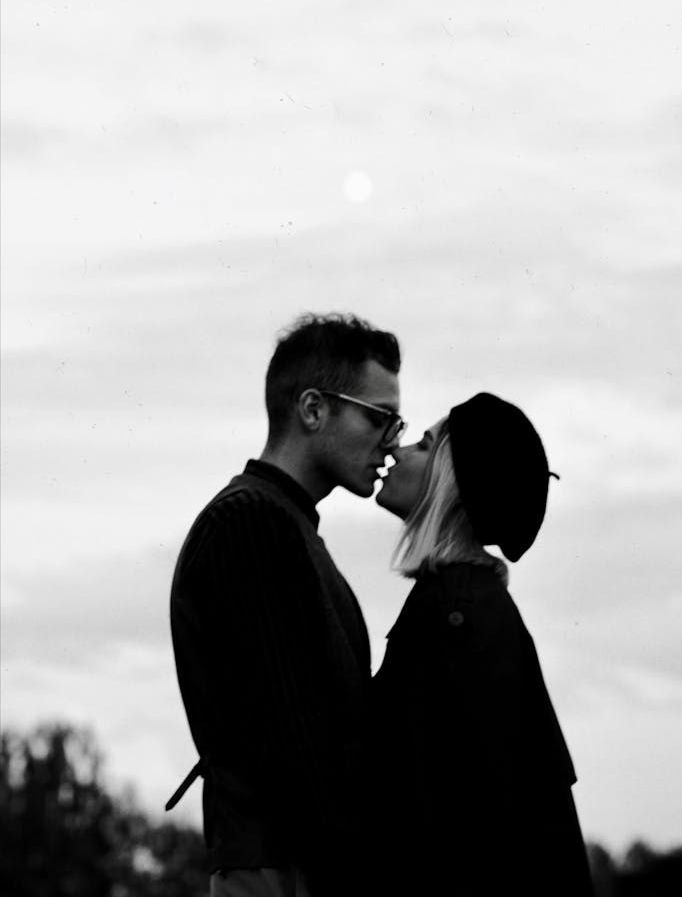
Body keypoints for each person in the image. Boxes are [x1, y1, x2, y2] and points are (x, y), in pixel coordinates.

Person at [168, 313, 404, 897]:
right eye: (379, 418)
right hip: (280, 866)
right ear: (313, 409)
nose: (393, 441)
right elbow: (294, 744)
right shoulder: (249, 521)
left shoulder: (284, 524)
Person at [373, 392, 594, 897]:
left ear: (450, 483)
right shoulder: (465, 602)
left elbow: (465, 817)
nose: (397, 451)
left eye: (422, 445)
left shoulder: (458, 612)